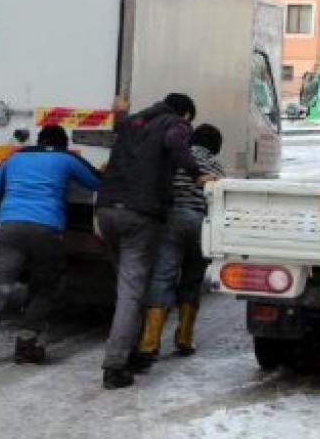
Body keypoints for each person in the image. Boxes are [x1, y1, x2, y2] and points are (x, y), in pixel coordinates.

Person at [94, 92, 215, 390]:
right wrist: (197, 174)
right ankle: (116, 364)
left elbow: (120, 130)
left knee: (127, 284)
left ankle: (135, 347)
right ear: (186, 115)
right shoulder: (176, 124)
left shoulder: (135, 121)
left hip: (106, 210)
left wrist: (119, 113)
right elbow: (175, 143)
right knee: (132, 291)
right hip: (139, 213)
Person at [0, 125, 100, 375]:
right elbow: (96, 182)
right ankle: (27, 342)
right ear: (63, 144)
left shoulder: (15, 157)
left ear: (38, 140)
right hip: (46, 229)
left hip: (9, 227)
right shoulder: (66, 158)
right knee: (45, 285)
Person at [131, 123, 227, 370]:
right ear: (215, 146)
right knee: (192, 280)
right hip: (202, 226)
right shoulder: (217, 167)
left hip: (173, 222)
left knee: (163, 277)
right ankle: (184, 338)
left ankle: (150, 343)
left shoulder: (176, 159)